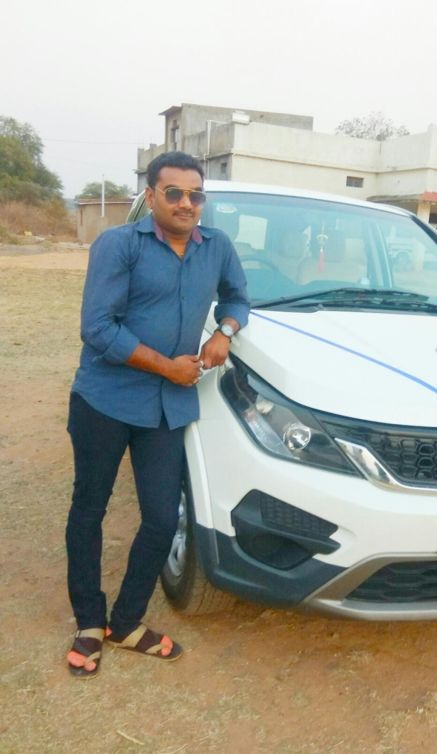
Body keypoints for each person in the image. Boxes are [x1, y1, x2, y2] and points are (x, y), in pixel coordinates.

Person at [65, 151, 250, 678]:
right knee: (89, 510)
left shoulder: (217, 248)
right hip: (105, 400)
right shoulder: (119, 245)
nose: (186, 203)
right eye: (174, 193)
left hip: (168, 410)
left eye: (196, 194)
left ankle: (126, 622)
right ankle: (88, 621)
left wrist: (224, 332)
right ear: (151, 197)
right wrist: (167, 366)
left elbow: (239, 298)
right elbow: (97, 327)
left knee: (163, 517)